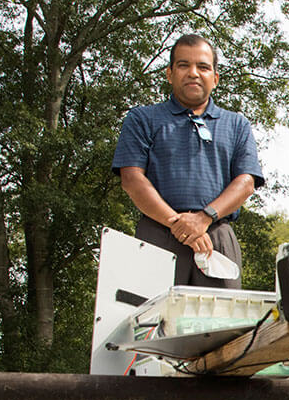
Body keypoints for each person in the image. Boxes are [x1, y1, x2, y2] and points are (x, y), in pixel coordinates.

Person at [113, 34, 265, 289]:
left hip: (216, 236)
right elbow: (132, 179)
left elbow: (246, 182)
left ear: (215, 78)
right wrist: (179, 224)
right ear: (170, 74)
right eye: (184, 65)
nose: (193, 73)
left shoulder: (237, 125)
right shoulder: (142, 119)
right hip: (157, 234)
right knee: (153, 323)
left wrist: (204, 218)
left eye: (203, 67)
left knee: (222, 325)